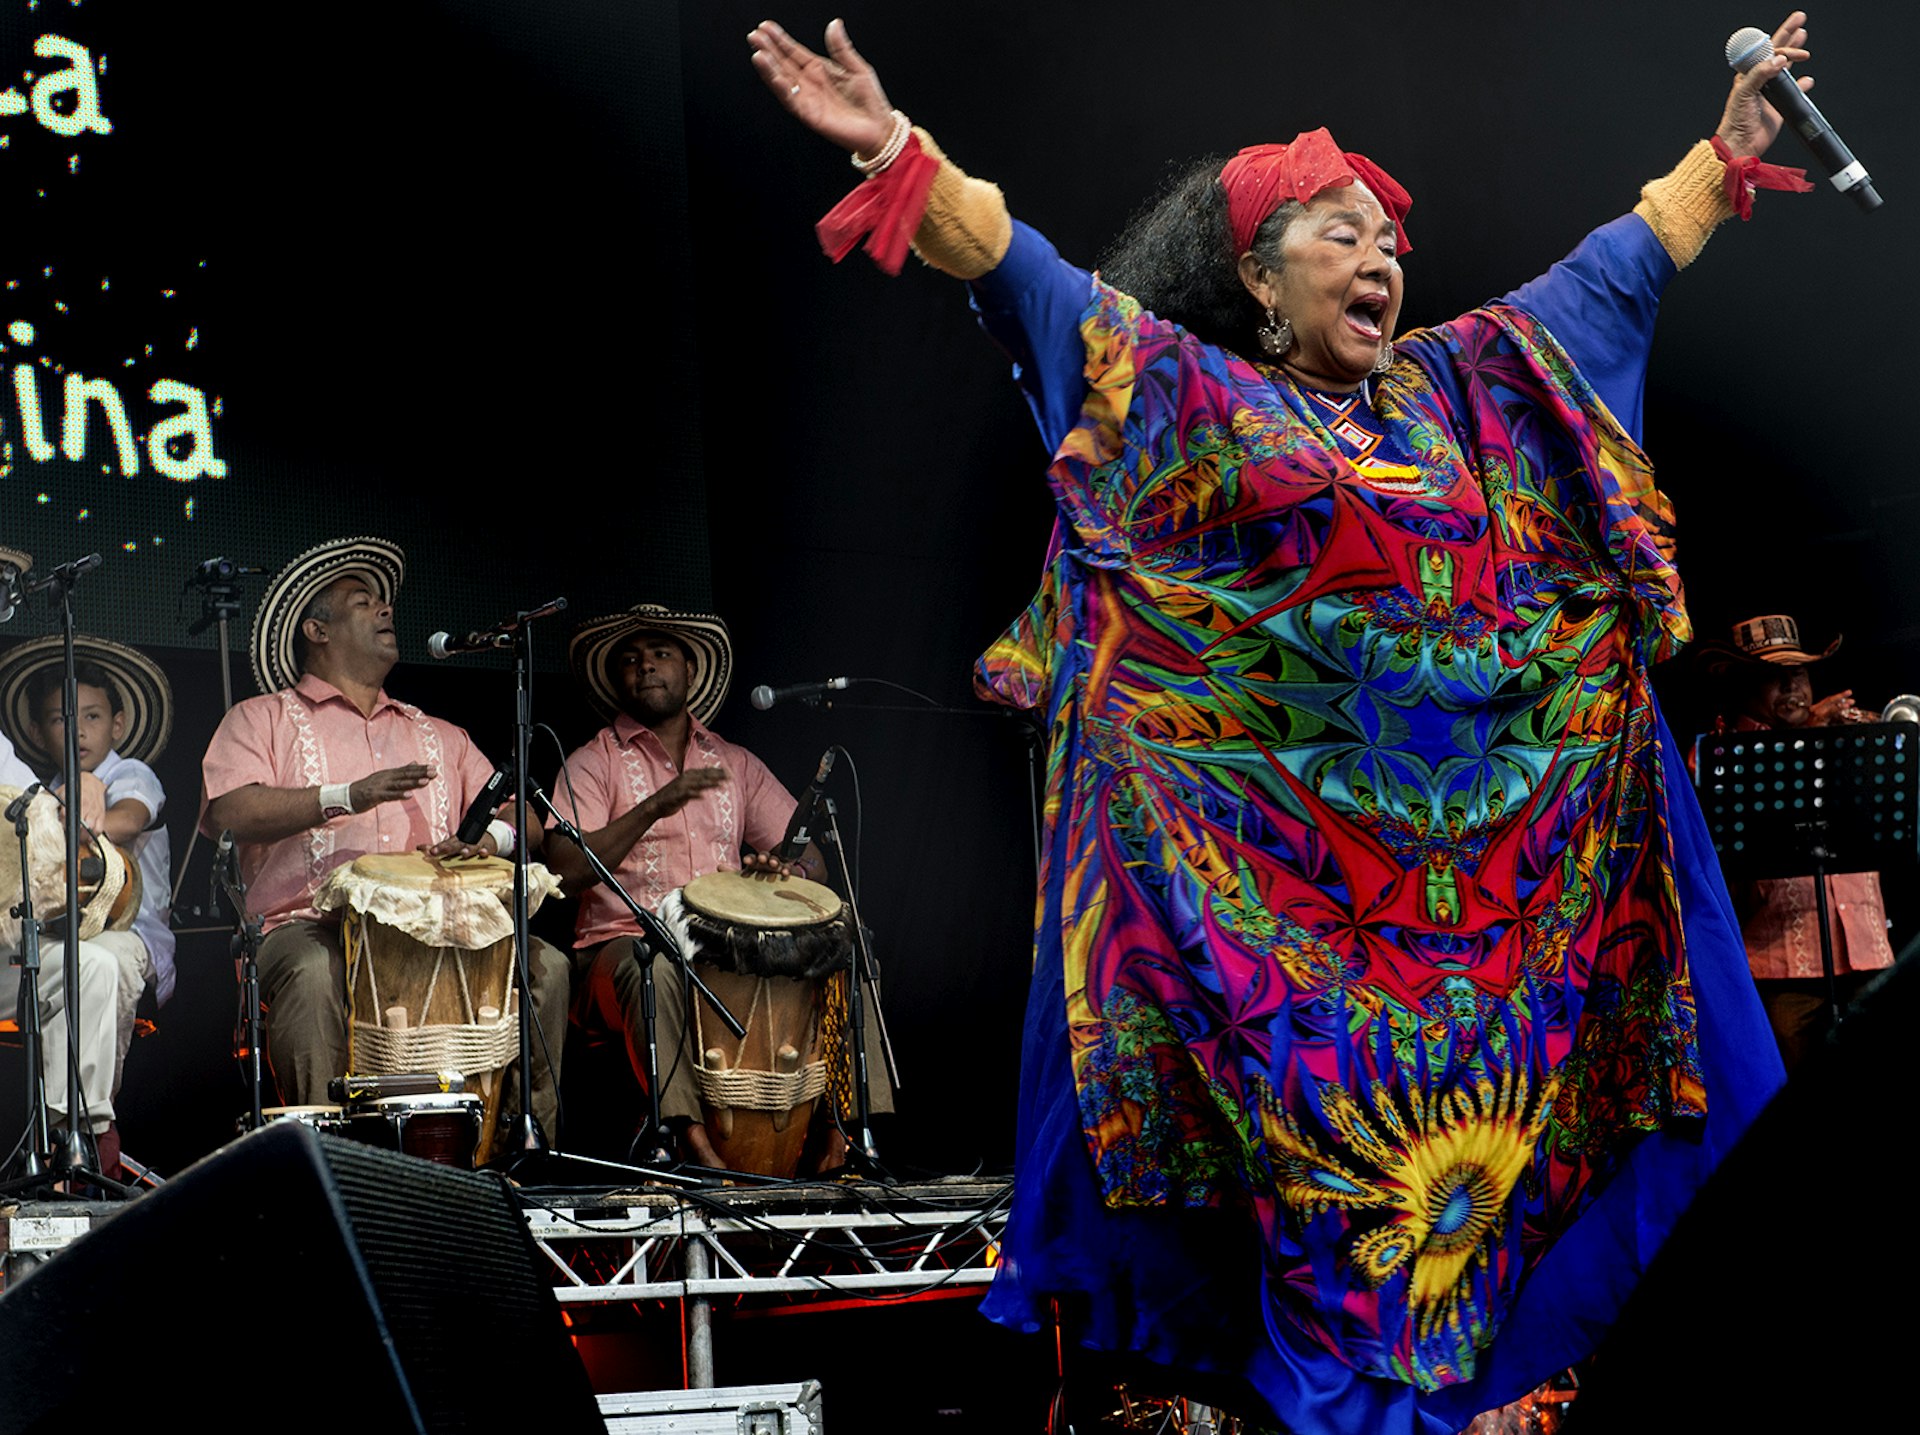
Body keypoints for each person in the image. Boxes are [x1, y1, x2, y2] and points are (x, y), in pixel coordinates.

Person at [748, 13, 1814, 1432]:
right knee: (1327, 1230)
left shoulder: (1464, 385)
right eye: (1339, 232)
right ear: (1255, 272)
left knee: (1489, 1213)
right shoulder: (1200, 403)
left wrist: (1722, 158)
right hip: (1289, 941)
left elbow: (1602, 282)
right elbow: (1041, 292)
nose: (1380, 257)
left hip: (1485, 942)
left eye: (1386, 237)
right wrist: (899, 153)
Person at [199, 536, 568, 1140]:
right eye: (363, 601)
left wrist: (491, 841)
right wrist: (350, 795)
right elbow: (229, 813)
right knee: (314, 975)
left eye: (385, 602)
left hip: (451, 932)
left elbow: (527, 819)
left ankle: (523, 1148)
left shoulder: (440, 734)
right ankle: (327, 1160)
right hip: (309, 928)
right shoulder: (258, 718)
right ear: (316, 630)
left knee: (546, 965)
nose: (387, 610)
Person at [545, 603, 891, 1169]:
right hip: (622, 948)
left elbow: (812, 861)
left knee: (845, 949)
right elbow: (563, 869)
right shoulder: (593, 762)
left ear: (689, 670)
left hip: (729, 951)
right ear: (615, 680)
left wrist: (784, 872)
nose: (646, 667)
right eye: (630, 660)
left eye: (661, 654)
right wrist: (654, 807)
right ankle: (691, 1143)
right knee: (651, 964)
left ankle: (847, 1135)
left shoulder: (734, 763)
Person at [0, 635, 176, 1182]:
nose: (76, 730)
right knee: (73, 962)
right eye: (59, 719)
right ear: (35, 732)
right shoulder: (33, 792)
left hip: (129, 934)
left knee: (101, 964)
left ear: (117, 725)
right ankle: (69, 1128)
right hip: (54, 939)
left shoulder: (129, 773)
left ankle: (85, 1130)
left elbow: (126, 819)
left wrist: (80, 810)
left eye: (91, 716)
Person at [1700, 613, 1894, 1071]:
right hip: (1782, 968)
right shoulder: (1720, 752)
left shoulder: (1836, 733)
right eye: (1773, 675)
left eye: (1799, 672)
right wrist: (1806, 733)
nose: (1792, 686)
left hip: (1868, 951)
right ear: (1744, 684)